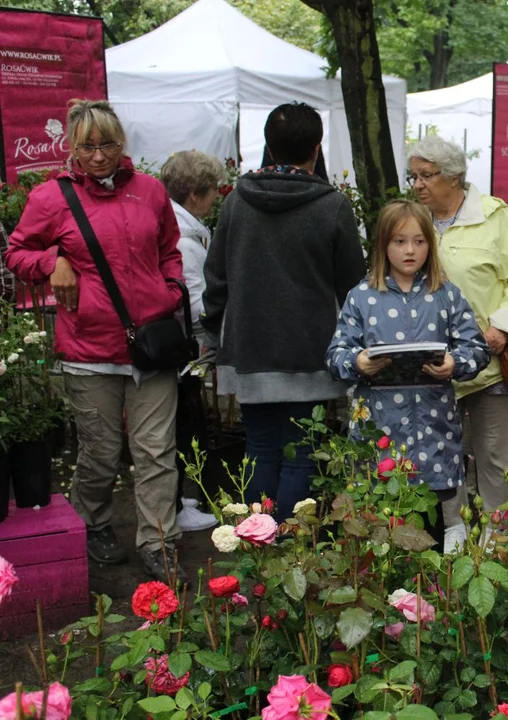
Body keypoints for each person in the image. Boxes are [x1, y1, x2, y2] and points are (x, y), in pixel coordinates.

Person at [4, 100, 187, 583]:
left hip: (149, 346)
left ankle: (158, 542)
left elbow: (169, 249)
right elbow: (18, 252)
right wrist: (53, 264)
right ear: (72, 147)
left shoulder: (149, 191)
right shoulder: (52, 197)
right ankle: (95, 521)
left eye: (108, 144)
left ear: (122, 142)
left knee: (155, 451)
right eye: (87, 146)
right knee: (101, 453)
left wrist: (170, 292)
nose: (99, 156)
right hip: (89, 350)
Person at [201, 102, 366, 519]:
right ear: (316, 148)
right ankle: (291, 545)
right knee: (301, 453)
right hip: (310, 350)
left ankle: (258, 539)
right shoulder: (332, 206)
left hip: (250, 347)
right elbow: (353, 285)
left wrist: (212, 331)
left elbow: (216, 276)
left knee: (259, 446)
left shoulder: (238, 201)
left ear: (269, 148)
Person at [405, 135, 508, 551]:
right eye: (413, 176)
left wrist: (501, 329)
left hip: (487, 362)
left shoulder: (496, 218)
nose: (418, 185)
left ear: (454, 177)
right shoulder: (413, 221)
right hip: (429, 362)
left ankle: (500, 539)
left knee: (494, 457)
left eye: (426, 175)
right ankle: (455, 532)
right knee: (441, 454)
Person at [326, 200, 490, 532]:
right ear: (383, 245)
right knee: (381, 521)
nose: (410, 250)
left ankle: (429, 585)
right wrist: (356, 361)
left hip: (434, 429)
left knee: (430, 523)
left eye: (419, 241)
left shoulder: (446, 295)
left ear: (430, 244)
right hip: (379, 428)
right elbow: (335, 354)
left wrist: (454, 363)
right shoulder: (362, 297)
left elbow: (477, 348)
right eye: (399, 241)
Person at [159, 150, 225, 533]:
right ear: (196, 193)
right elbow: (194, 301)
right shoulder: (183, 239)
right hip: (185, 347)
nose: (216, 196)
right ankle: (181, 503)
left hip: (184, 346)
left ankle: (182, 501)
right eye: (212, 189)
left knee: (185, 421)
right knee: (184, 422)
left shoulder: (184, 228)